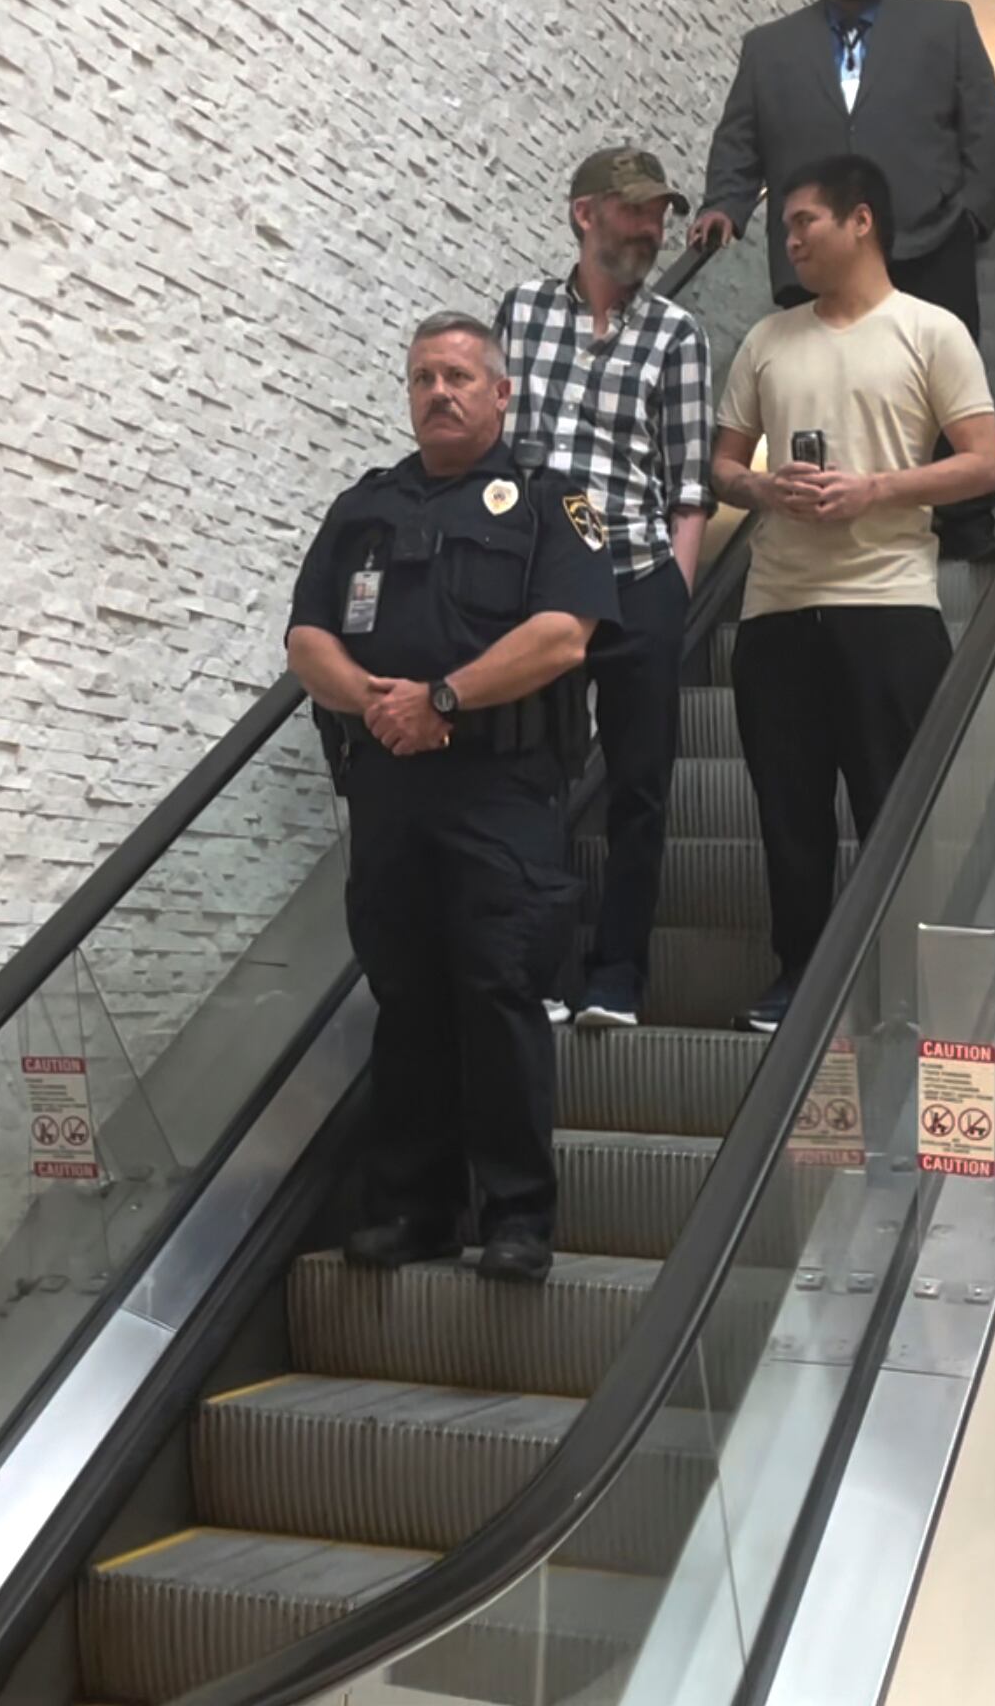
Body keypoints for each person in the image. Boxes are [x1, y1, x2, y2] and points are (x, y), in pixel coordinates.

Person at [286, 314, 619, 1283]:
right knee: (406, 995)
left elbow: (563, 635)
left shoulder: (553, 505)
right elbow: (308, 640)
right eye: (425, 376)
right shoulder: (366, 507)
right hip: (389, 787)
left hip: (501, 789)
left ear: (502, 392)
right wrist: (383, 708)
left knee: (498, 990)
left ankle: (516, 1216)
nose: (442, 391)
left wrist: (443, 698)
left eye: (462, 376)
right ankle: (417, 1209)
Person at [705, 156, 995, 1033]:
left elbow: (984, 462)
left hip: (892, 608)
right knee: (786, 812)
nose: (789, 240)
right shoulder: (768, 339)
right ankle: (799, 974)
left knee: (895, 811)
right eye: (787, 227)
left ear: (860, 221)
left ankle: (903, 986)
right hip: (777, 613)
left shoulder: (931, 330)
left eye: (803, 222)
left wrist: (875, 490)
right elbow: (722, 466)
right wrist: (762, 490)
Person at [694, 0, 995, 560]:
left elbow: (982, 122)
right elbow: (739, 142)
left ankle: (967, 526)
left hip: (927, 237)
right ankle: (823, 514)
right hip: (816, 255)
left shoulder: (945, 26)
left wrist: (975, 212)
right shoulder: (769, 49)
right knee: (826, 388)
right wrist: (724, 204)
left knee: (944, 383)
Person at [496, 146, 714, 1034]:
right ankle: (544, 968)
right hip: (540, 583)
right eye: (633, 212)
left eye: (659, 214)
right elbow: (498, 449)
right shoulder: (519, 313)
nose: (652, 229)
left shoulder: (676, 333)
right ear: (584, 214)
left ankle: (618, 970)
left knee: (639, 786)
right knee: (534, 779)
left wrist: (674, 597)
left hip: (636, 575)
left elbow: (690, 485)